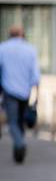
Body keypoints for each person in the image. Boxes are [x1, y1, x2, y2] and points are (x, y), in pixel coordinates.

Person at [0, 25, 40, 164]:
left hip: (9, 90)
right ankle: (18, 148)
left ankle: (19, 144)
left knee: (13, 122)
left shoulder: (3, 48)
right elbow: (35, 75)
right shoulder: (31, 49)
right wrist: (36, 94)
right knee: (20, 121)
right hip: (25, 91)